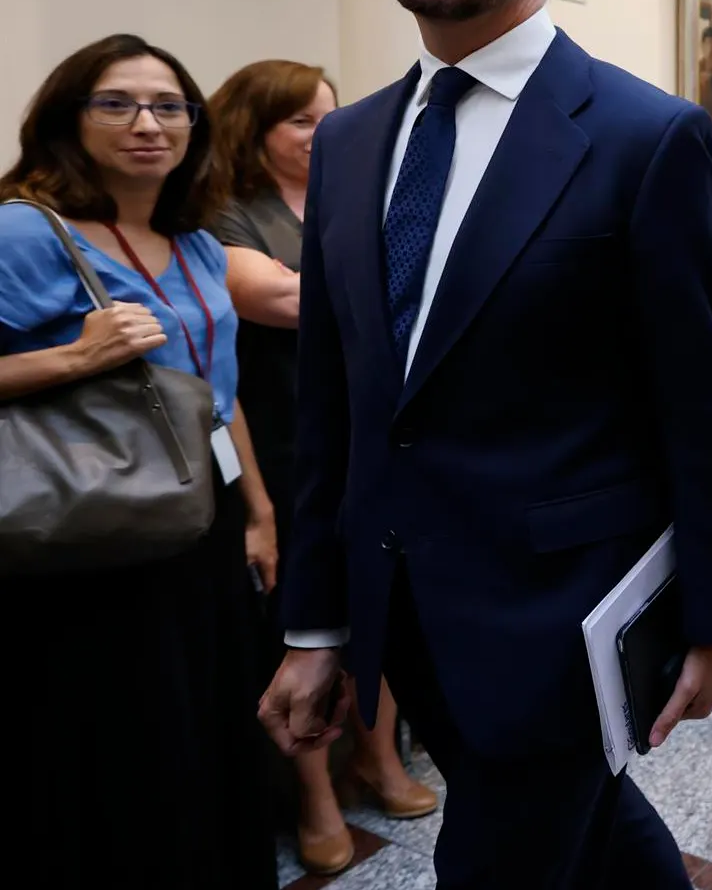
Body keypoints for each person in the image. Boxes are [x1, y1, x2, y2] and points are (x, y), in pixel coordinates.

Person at [254, 0, 712, 887]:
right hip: (406, 613)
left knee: (499, 857)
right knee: (601, 844)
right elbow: (337, 404)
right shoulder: (352, 142)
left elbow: (702, 400)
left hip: (563, 620)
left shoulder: (642, 135)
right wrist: (317, 623)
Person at [0, 34, 278, 888]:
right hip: (84, 524)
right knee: (110, 743)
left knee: (206, 726)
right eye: (116, 103)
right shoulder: (22, 232)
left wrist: (261, 514)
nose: (147, 124)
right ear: (66, 119)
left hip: (203, 517)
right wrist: (73, 359)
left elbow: (218, 391)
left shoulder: (194, 243)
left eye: (169, 106)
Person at [206, 60, 438, 875]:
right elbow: (270, 297)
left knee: (384, 594)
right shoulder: (227, 210)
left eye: (327, 116)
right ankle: (315, 798)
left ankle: (380, 760)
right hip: (280, 439)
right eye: (301, 120)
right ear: (254, 130)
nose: (322, 132)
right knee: (302, 621)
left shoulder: (356, 191)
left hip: (370, 432)